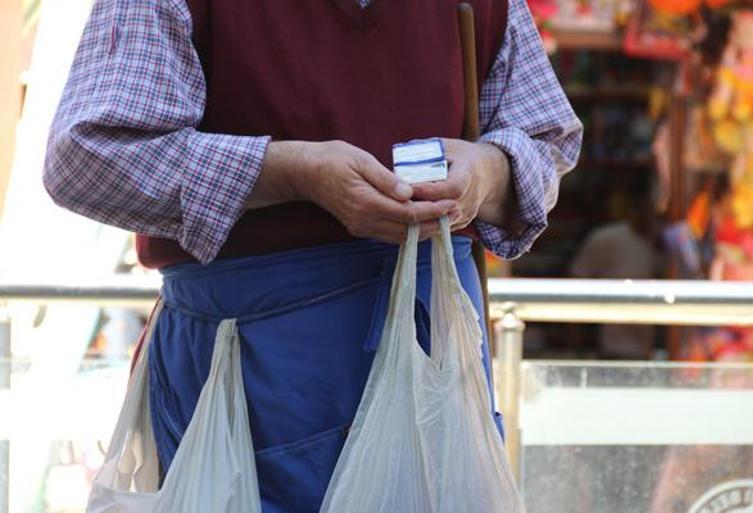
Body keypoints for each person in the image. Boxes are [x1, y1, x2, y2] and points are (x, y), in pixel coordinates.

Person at [43, 0, 581, 509]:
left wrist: (489, 171)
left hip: (437, 352)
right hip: (257, 367)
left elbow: (547, 141)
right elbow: (88, 156)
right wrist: (285, 171)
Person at [570, 192, 659, 359]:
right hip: (612, 350)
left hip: (652, 351)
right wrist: (577, 344)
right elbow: (577, 281)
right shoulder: (608, 239)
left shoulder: (666, 246)